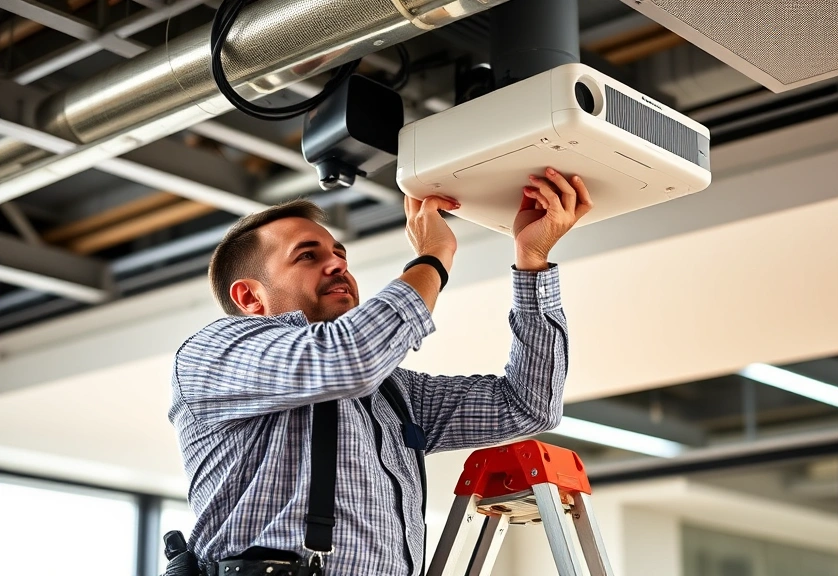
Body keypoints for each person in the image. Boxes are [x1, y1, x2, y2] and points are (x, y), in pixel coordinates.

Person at [168, 167, 593, 575]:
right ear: (249, 298)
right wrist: (433, 257)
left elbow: (527, 404)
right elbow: (350, 357)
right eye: (307, 256)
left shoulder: (391, 392)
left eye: (339, 254)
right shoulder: (210, 356)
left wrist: (532, 260)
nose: (338, 265)